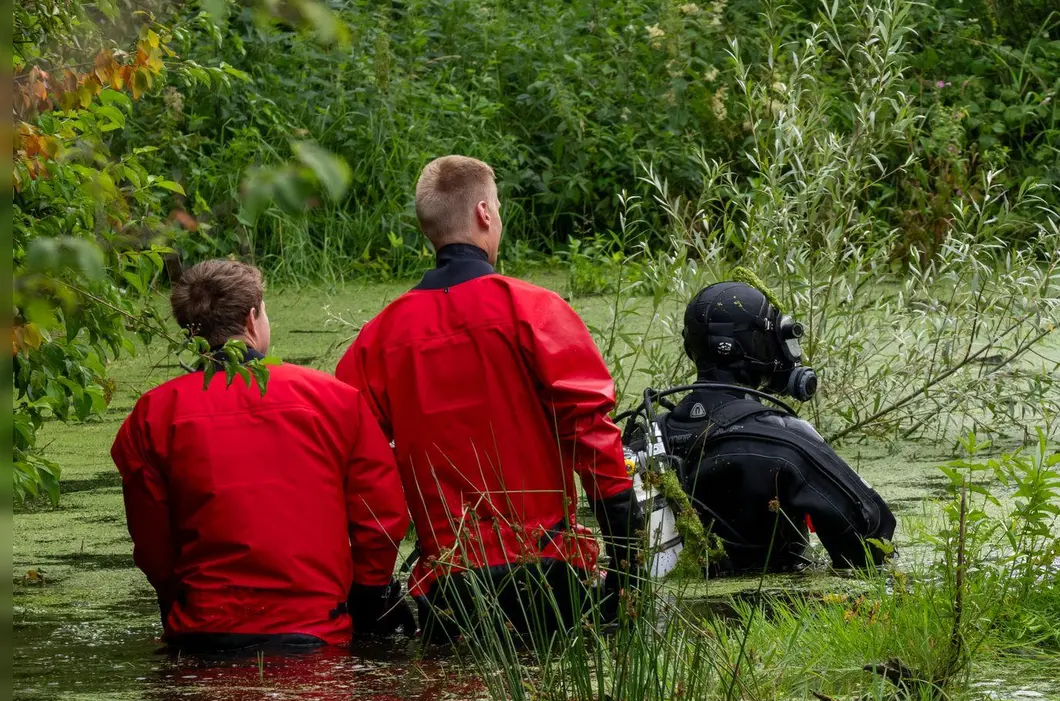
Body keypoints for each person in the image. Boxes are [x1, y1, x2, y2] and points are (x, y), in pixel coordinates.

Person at [335, 156, 642, 637]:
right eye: (497, 207)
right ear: (484, 213)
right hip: (551, 572)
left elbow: (361, 473)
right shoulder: (535, 310)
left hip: (450, 589)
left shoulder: (377, 341)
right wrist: (630, 562)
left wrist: (371, 592)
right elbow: (594, 436)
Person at [112, 260, 412, 652]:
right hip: (313, 633)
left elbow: (153, 546)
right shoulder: (335, 401)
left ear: (190, 333)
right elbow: (380, 519)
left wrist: (177, 606)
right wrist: (369, 600)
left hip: (203, 634)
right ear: (253, 320)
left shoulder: (152, 416)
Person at [643, 281, 895, 575]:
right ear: (758, 343)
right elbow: (871, 538)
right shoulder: (784, 441)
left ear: (691, 345)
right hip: (778, 613)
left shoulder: (645, 438)